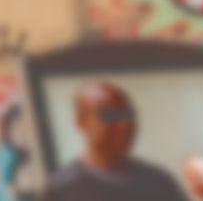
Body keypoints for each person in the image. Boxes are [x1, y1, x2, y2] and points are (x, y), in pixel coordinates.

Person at [43, 82, 187, 201]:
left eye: (127, 114)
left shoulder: (158, 182)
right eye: (110, 115)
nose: (124, 124)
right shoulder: (64, 187)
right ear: (82, 123)